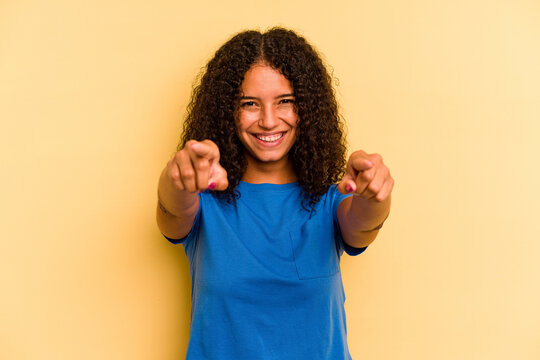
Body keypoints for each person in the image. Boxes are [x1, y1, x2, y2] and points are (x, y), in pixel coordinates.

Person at [156, 27, 393, 360]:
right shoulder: (203, 204)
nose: (268, 121)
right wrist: (178, 176)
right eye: (250, 104)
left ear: (308, 109)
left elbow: (365, 223)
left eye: (285, 102)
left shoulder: (330, 203)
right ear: (227, 112)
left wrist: (374, 193)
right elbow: (171, 209)